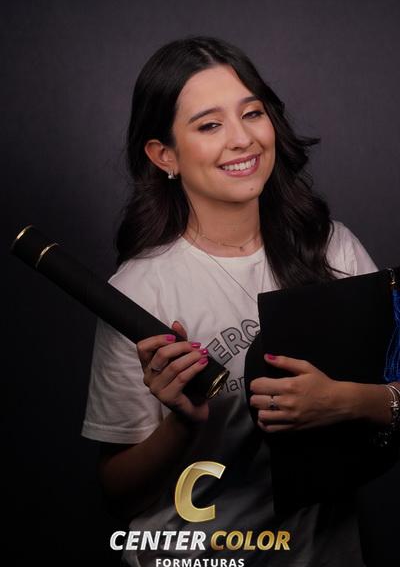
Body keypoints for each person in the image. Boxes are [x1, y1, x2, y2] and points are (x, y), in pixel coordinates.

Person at [82, 36, 399, 567]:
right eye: (209, 125)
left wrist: (344, 401)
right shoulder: (139, 291)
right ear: (164, 155)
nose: (242, 138)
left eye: (252, 113)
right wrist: (183, 423)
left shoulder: (333, 247)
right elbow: (119, 495)